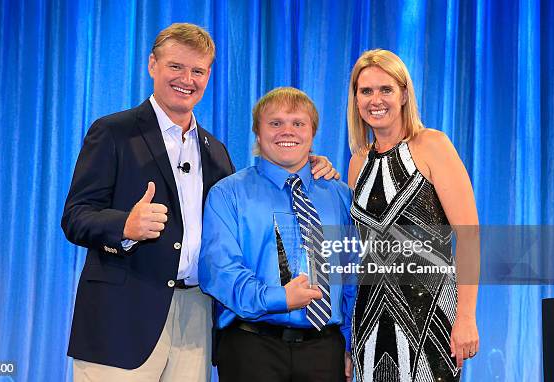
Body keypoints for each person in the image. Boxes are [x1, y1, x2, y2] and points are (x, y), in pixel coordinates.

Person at [61, 23, 338, 382]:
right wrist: (124, 226)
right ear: (152, 65)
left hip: (196, 315)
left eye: (197, 70)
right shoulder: (113, 132)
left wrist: (311, 168)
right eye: (176, 66)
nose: (186, 79)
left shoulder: (216, 151)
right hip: (123, 317)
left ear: (208, 75)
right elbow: (76, 216)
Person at [199, 87, 356, 382]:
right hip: (252, 348)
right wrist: (278, 298)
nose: (288, 131)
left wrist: (348, 343)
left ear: (312, 133)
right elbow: (219, 272)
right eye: (275, 123)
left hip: (325, 350)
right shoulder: (228, 193)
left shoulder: (340, 195)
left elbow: (351, 276)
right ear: (258, 133)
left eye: (298, 123)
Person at [346, 49, 479, 381]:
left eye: (385, 89)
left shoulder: (432, 145)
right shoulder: (357, 162)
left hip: (431, 317)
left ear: (404, 94)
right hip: (369, 318)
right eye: (366, 91)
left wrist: (466, 316)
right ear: (356, 100)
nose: (376, 99)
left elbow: (470, 236)